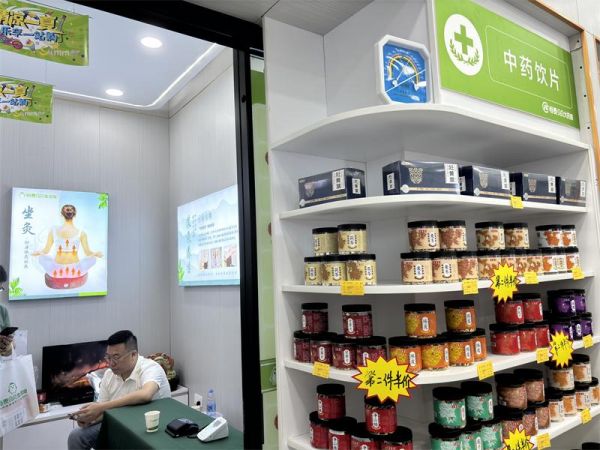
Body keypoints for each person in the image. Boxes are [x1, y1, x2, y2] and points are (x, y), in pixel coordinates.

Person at [67, 330, 170, 450]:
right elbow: (104, 412)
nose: (111, 363)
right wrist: (91, 419)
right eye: (108, 357)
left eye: (116, 357)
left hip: (150, 425)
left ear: (133, 355)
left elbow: (145, 395)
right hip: (121, 424)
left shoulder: (151, 368)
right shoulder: (109, 375)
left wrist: (100, 407)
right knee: (76, 436)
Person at [32, 204, 103, 289]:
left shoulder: (53, 230)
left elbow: (46, 251)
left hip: (55, 270)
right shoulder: (82, 232)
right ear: (75, 215)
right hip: (77, 270)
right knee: (93, 258)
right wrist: (96, 253)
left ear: (61, 215)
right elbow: (88, 252)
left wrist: (38, 253)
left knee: (41, 258)